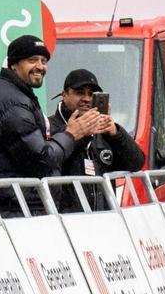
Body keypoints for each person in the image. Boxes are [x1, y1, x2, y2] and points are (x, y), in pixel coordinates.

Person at [0, 35, 108, 217]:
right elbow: (40, 159)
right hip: (16, 208)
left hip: (17, 203)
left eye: (44, 61)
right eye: (32, 60)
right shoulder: (12, 102)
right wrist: (71, 134)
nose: (40, 66)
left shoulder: (15, 95)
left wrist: (95, 133)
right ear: (14, 65)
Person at [48, 68, 145, 211]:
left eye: (91, 94)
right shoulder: (49, 127)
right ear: (64, 95)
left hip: (103, 219)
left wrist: (116, 133)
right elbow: (46, 162)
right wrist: (75, 135)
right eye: (80, 92)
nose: (87, 99)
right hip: (64, 220)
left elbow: (136, 163)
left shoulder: (104, 131)